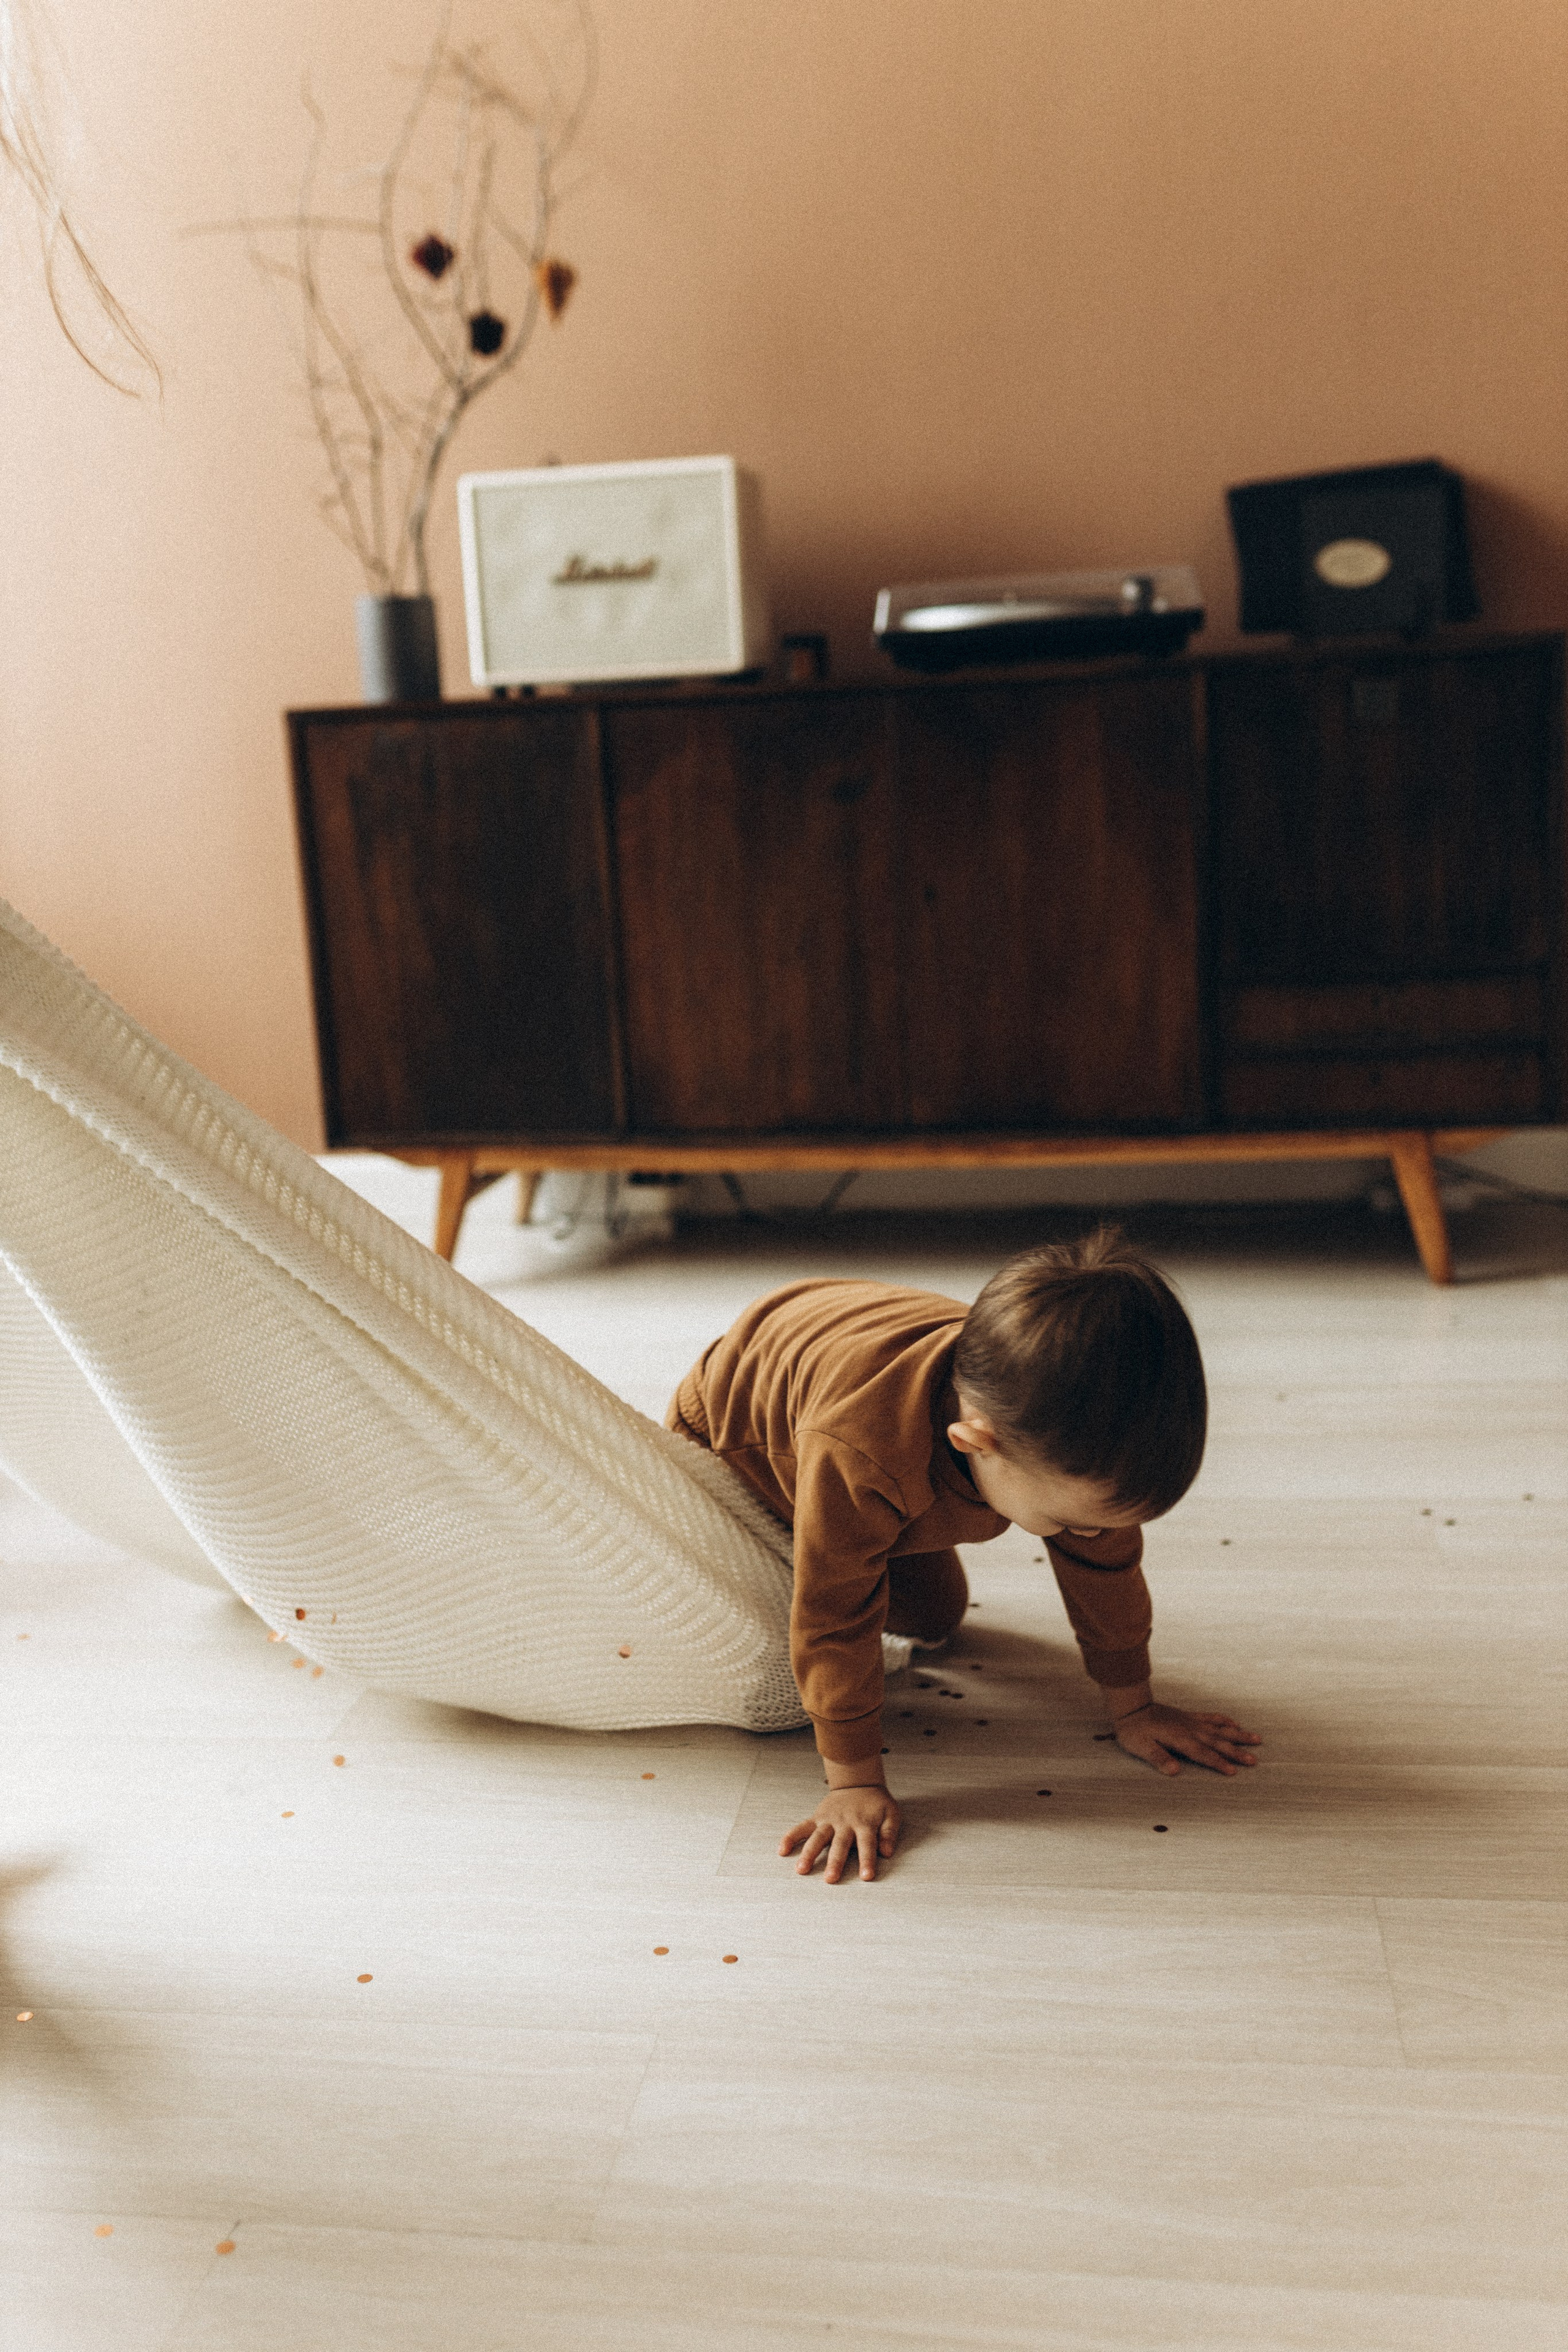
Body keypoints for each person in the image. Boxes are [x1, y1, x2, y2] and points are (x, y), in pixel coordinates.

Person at [666, 1226, 1260, 1885]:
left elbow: (1104, 1563)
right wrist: (853, 1781)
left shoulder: (1051, 1420)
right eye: (1072, 1522)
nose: (1091, 1537)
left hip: (838, 1357)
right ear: (975, 1441)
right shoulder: (862, 1453)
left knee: (934, 1614)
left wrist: (1134, 1707)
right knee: (772, 1645)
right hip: (736, 1441)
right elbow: (835, 1613)